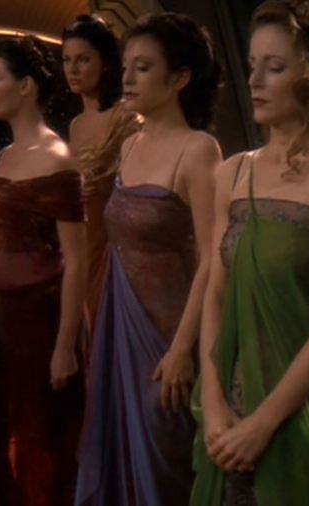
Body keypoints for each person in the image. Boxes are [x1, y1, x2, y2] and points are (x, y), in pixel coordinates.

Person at [191, 1, 309, 504]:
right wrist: (213, 404)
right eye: (252, 65)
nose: (254, 80)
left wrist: (263, 425)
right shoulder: (233, 173)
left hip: (303, 414)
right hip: (228, 407)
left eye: (274, 67)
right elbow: (216, 292)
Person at [74, 12, 222, 506]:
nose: (128, 78)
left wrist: (182, 348)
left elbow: (212, 259)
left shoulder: (199, 150)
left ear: (179, 78)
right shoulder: (129, 145)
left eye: (143, 67)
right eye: (126, 67)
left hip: (168, 334)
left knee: (168, 466)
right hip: (120, 329)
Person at [0, 34, 86, 506]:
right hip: (7, 320)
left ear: (26, 87)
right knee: (11, 435)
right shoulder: (4, 157)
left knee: (46, 444)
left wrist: (64, 347)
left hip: (44, 320)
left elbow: (76, 259)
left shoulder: (56, 157)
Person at [61, 14, 141, 360]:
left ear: (105, 62)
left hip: (118, 250)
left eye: (83, 59)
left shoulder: (126, 118)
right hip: (84, 247)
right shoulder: (76, 126)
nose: (72, 69)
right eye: (66, 60)